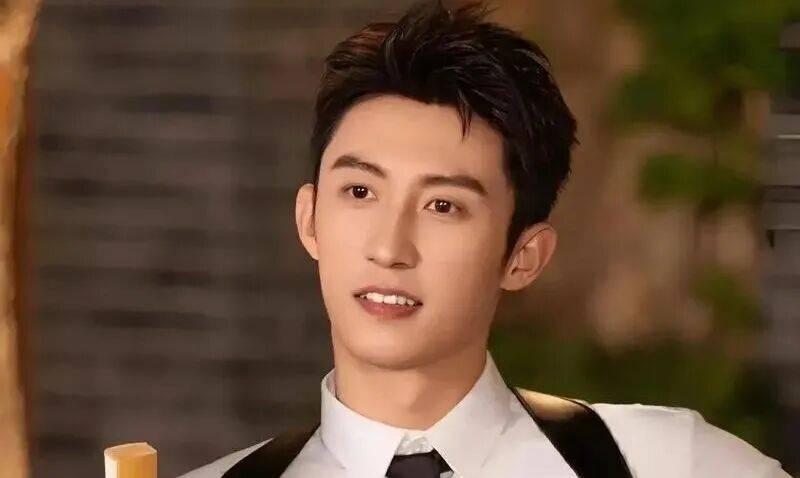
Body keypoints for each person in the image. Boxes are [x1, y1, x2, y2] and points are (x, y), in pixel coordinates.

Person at [179, 1, 791, 477]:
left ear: (524, 256)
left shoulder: (668, 464)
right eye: (360, 192)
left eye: (443, 206)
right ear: (309, 219)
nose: (389, 248)